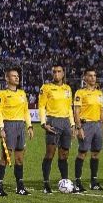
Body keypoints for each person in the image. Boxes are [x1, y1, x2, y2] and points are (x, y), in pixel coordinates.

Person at [0, 67, 33, 196]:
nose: (17, 78)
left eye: (17, 76)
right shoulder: (2, 94)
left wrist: (29, 126)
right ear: (7, 78)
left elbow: (26, 111)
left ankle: (20, 187)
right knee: (6, 157)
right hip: (8, 125)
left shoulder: (22, 93)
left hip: (20, 126)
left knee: (20, 159)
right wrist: (1, 128)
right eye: (13, 76)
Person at [38, 64, 74, 194]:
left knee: (64, 155)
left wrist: (73, 124)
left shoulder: (68, 89)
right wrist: (43, 123)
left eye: (59, 71)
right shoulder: (46, 88)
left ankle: (65, 181)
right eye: (54, 72)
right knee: (50, 153)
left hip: (66, 123)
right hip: (53, 121)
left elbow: (70, 107)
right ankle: (46, 183)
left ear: (63, 73)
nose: (56, 74)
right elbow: (41, 106)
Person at [73, 68, 103, 192]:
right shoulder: (80, 93)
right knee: (82, 152)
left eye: (94, 75)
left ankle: (94, 182)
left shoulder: (99, 93)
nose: (93, 78)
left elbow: (102, 111)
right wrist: (79, 128)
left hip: (97, 125)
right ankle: (77, 182)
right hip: (85, 125)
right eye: (90, 76)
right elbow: (76, 111)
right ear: (85, 78)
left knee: (96, 153)